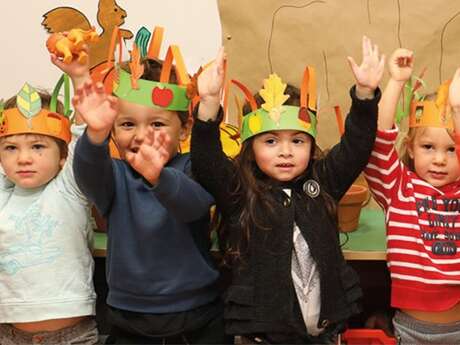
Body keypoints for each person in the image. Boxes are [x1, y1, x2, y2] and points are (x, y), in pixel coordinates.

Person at [190, 36, 384, 344]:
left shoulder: (323, 182)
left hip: (323, 334)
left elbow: (356, 146)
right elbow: (206, 162)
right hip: (262, 337)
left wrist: (364, 96)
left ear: (310, 144)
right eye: (271, 141)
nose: (285, 151)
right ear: (250, 147)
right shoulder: (240, 191)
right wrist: (210, 104)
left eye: (297, 140)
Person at [71, 35, 229, 344]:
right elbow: (87, 172)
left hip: (198, 315)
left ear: (184, 129)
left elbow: (192, 205)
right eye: (127, 124)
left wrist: (159, 177)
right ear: (114, 131)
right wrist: (95, 134)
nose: (142, 136)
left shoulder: (193, 167)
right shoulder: (114, 177)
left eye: (157, 124)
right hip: (129, 318)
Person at [0, 53, 98, 344]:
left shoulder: (69, 187)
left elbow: (86, 131)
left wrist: (80, 76)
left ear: (63, 156)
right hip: (9, 336)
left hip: (72, 337)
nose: (24, 158)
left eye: (38, 146)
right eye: (11, 148)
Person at [364, 48, 460, 344]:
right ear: (410, 148)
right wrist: (396, 81)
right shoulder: (398, 188)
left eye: (451, 149)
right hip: (410, 330)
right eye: (428, 147)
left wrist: (456, 109)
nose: (440, 160)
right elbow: (378, 141)